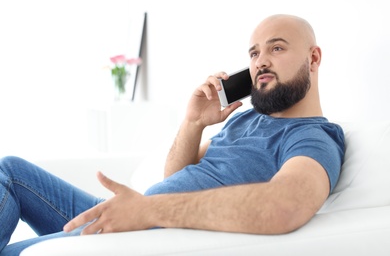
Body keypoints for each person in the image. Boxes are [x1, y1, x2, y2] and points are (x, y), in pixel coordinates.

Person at [0, 14, 345, 255]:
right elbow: (176, 176)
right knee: (11, 170)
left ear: (313, 58)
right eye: (254, 53)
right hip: (130, 214)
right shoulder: (246, 120)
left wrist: (150, 211)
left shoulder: (312, 137)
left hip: (138, 229)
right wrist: (193, 123)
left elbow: (285, 206)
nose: (260, 62)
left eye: (277, 48)